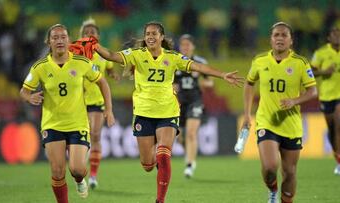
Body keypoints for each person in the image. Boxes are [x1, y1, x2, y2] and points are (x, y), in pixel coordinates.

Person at [94, 21, 244, 203]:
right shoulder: (136, 55)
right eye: (148, 33)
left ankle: (160, 200)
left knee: (164, 156)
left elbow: (198, 66)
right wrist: (94, 45)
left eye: (154, 34)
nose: (150, 36)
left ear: (161, 37)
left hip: (168, 112)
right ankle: (156, 158)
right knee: (148, 165)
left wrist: (222, 75)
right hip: (144, 113)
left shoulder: (172, 57)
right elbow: (111, 55)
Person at [20, 24, 115, 203]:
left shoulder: (82, 63)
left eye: (63, 37)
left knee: (77, 170)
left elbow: (103, 82)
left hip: (77, 124)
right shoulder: (40, 67)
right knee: (57, 172)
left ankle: (80, 180)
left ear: (69, 40)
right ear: (49, 42)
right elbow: (24, 91)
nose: (60, 41)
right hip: (52, 124)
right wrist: (29, 97)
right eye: (55, 38)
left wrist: (109, 110)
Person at [242, 22, 317, 203]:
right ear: (270, 39)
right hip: (267, 121)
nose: (280, 38)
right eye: (276, 35)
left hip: (291, 124)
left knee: (290, 172)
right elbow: (249, 83)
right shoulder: (260, 60)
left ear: (291, 41)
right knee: (269, 167)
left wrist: (294, 101)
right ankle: (273, 190)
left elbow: (313, 91)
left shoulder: (300, 62)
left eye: (284, 35)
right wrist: (247, 114)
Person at [79, 18, 119, 189]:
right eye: (87, 32)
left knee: (95, 135)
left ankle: (93, 175)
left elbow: (109, 67)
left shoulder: (103, 55)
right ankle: (79, 171)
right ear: (81, 35)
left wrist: (113, 74)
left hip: (97, 101)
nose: (90, 34)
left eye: (93, 32)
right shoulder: (75, 54)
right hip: (77, 102)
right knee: (80, 138)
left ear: (98, 36)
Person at [311, 27, 340, 176]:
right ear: (329, 38)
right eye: (334, 34)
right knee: (331, 129)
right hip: (327, 95)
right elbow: (310, 72)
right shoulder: (320, 53)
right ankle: (337, 157)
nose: (338, 37)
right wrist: (324, 72)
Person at [173, 34, 213, 178]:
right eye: (183, 45)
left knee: (191, 133)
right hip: (178, 104)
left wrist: (201, 83)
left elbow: (210, 82)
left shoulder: (200, 62)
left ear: (193, 46)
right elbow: (168, 83)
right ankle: (189, 155)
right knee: (180, 138)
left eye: (188, 44)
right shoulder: (174, 61)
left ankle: (190, 165)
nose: (185, 47)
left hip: (195, 101)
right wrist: (172, 87)